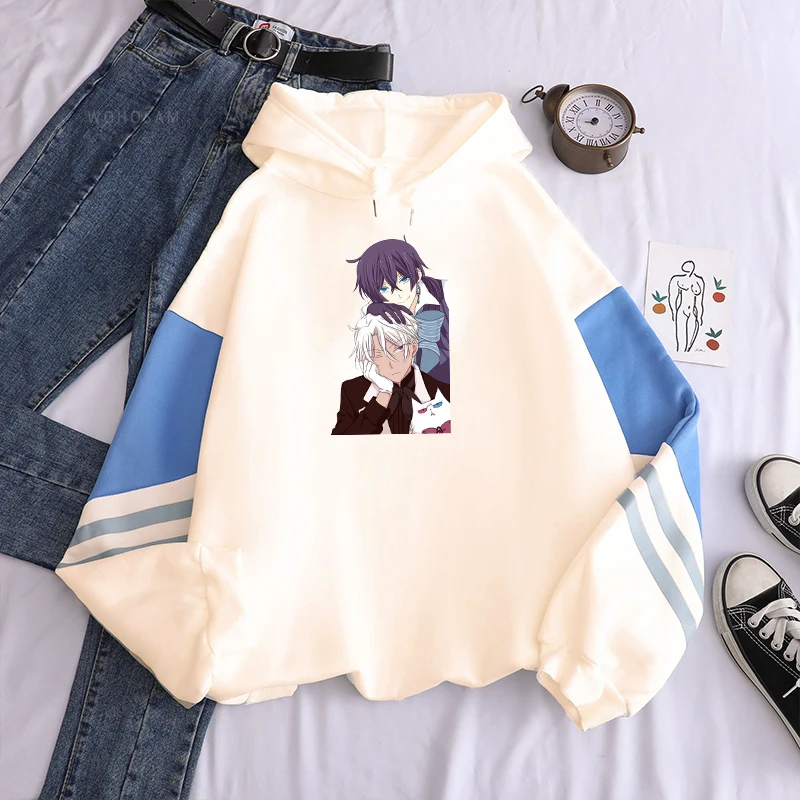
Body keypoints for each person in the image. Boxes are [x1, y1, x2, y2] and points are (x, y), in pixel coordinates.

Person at [332, 305, 450, 435]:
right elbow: (341, 442)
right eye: (378, 354)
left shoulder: (443, 390)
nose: (390, 363)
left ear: (413, 347)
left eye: (398, 349)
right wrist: (383, 395)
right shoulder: (352, 391)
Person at [347, 238, 450, 382]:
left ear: (417, 273)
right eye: (384, 288)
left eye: (403, 280)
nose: (397, 292)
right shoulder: (372, 315)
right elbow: (373, 364)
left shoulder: (444, 291)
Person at [668, 259, 705, 352]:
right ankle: (680, 351)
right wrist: (673, 311)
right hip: (682, 310)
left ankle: (686, 351)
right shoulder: (677, 279)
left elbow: (699, 302)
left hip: (693, 311)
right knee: (680, 337)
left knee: (690, 342)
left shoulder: (699, 281)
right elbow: (673, 297)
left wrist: (700, 316)